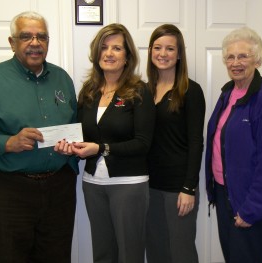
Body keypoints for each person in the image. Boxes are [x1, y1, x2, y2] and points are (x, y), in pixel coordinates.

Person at [0, 11, 78, 263]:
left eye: (41, 36)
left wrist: (70, 149)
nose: (35, 42)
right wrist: (6, 143)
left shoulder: (62, 78)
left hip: (59, 189)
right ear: (12, 42)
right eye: (26, 36)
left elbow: (74, 125)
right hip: (8, 189)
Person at [56, 23, 155, 263]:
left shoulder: (139, 91)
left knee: (129, 254)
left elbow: (143, 143)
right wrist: (68, 145)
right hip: (93, 183)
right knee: (102, 253)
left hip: (128, 185)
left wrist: (101, 149)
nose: (109, 53)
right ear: (96, 53)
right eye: (104, 47)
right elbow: (79, 133)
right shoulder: (89, 91)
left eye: (117, 48)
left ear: (127, 56)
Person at [205, 27, 262, 263]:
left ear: (257, 59)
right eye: (230, 57)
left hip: (251, 201)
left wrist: (252, 209)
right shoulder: (228, 93)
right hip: (226, 193)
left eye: (243, 56)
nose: (236, 62)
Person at [145, 24, 205, 263]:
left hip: (178, 188)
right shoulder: (144, 90)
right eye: (158, 47)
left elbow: (196, 142)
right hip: (148, 185)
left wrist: (189, 188)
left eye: (170, 48)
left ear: (179, 54)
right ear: (150, 51)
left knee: (181, 253)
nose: (163, 53)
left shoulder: (191, 91)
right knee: (156, 250)